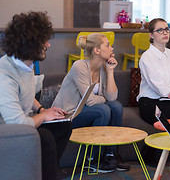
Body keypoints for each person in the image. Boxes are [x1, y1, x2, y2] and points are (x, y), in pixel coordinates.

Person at [0, 11, 72, 180]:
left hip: (18, 124)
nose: (48, 45)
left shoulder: (26, 64)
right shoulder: (5, 75)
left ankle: (46, 171)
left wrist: (42, 109)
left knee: (63, 125)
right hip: (6, 130)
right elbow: (18, 123)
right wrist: (44, 116)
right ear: (30, 44)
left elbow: (24, 94)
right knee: (45, 137)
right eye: (44, 41)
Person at [52, 32, 130, 173]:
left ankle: (110, 155)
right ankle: (90, 159)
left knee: (116, 107)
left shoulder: (103, 69)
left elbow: (112, 98)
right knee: (103, 110)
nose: (112, 48)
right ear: (97, 50)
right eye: (108, 45)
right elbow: (90, 101)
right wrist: (104, 98)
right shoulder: (79, 67)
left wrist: (110, 71)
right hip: (68, 115)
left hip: (86, 111)